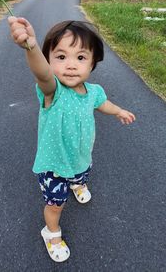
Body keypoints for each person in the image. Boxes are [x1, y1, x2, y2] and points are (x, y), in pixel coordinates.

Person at [8, 17, 136, 262]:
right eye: (60, 56)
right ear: (49, 60)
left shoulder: (94, 92)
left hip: (80, 157)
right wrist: (31, 47)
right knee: (56, 204)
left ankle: (78, 183)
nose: (70, 65)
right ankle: (52, 232)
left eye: (80, 57)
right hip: (54, 166)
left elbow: (103, 104)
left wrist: (119, 111)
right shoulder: (52, 91)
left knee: (81, 174)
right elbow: (42, 74)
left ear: (92, 63)